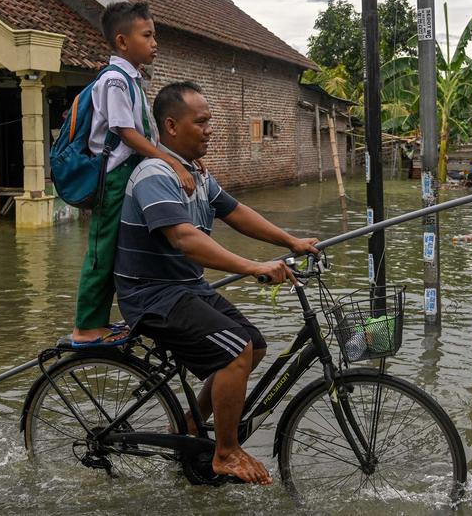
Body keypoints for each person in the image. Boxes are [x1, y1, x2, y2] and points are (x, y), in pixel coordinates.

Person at [114, 81, 319, 485]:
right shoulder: (155, 173)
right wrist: (252, 266)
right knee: (236, 352)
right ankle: (225, 453)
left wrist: (291, 240)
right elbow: (185, 239)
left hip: (184, 288)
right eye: (201, 122)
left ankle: (191, 424)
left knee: (254, 345)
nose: (210, 130)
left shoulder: (197, 174)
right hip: (151, 295)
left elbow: (236, 212)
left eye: (210, 121)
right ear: (171, 127)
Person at [68, 2, 196, 346]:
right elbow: (127, 133)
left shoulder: (132, 80)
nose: (155, 42)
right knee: (102, 249)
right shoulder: (113, 80)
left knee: (121, 250)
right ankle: (86, 326)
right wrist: (172, 163)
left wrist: (184, 160)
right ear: (122, 42)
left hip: (129, 175)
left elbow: (149, 138)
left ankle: (110, 319)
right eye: (148, 35)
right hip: (112, 177)